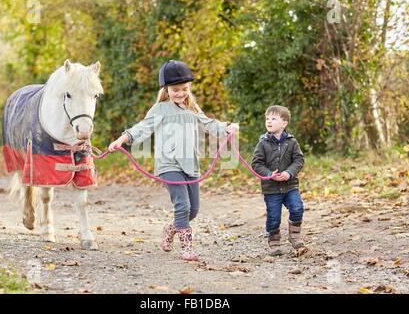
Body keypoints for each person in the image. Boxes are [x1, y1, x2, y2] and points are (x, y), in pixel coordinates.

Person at [108, 60, 239, 261]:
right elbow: (141, 128)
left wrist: (226, 127)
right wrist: (122, 139)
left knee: (192, 210)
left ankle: (171, 228)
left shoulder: (193, 109)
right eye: (176, 90)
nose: (180, 93)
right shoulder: (159, 110)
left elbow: (210, 124)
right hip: (168, 165)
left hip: (190, 164)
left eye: (184, 89)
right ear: (166, 90)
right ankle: (186, 248)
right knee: (182, 205)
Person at [251, 105, 305, 256]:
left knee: (297, 208)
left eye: (273, 118)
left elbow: (299, 160)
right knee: (273, 216)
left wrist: (289, 172)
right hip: (271, 188)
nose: (269, 121)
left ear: (284, 123)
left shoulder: (291, 141)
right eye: (267, 118)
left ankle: (294, 235)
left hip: (289, 186)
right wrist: (268, 173)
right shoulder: (263, 143)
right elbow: (256, 163)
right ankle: (274, 241)